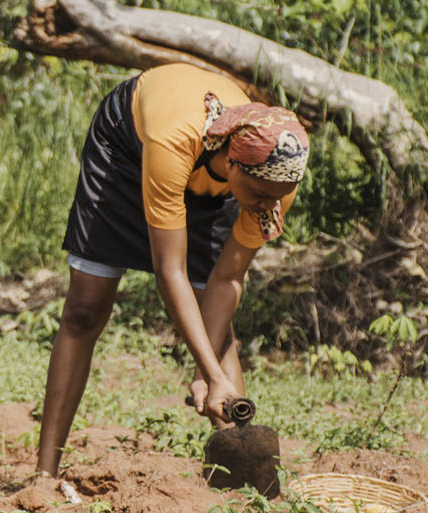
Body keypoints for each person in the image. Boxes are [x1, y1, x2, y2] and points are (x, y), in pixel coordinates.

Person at [35, 63, 310, 478]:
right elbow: (170, 271)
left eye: (277, 198)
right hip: (127, 151)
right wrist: (212, 375)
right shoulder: (175, 141)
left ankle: (244, 488)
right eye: (258, 196)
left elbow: (228, 279)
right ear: (232, 162)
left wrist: (206, 374)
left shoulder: (274, 183)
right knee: (85, 309)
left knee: (217, 334)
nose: (266, 208)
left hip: (209, 172)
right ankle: (44, 475)